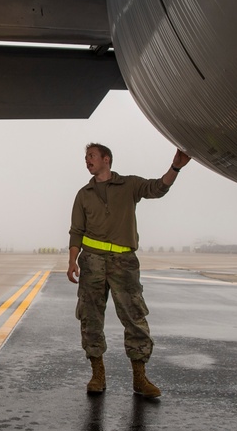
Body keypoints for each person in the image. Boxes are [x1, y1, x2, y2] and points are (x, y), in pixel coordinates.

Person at [67, 143, 190, 397]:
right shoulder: (84, 193)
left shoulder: (129, 185)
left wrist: (175, 167)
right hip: (91, 263)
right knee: (91, 319)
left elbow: (158, 188)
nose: (87, 161)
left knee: (134, 318)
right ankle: (97, 375)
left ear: (106, 159)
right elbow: (76, 232)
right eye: (85, 157)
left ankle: (140, 377)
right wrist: (72, 261)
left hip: (124, 262)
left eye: (91, 156)